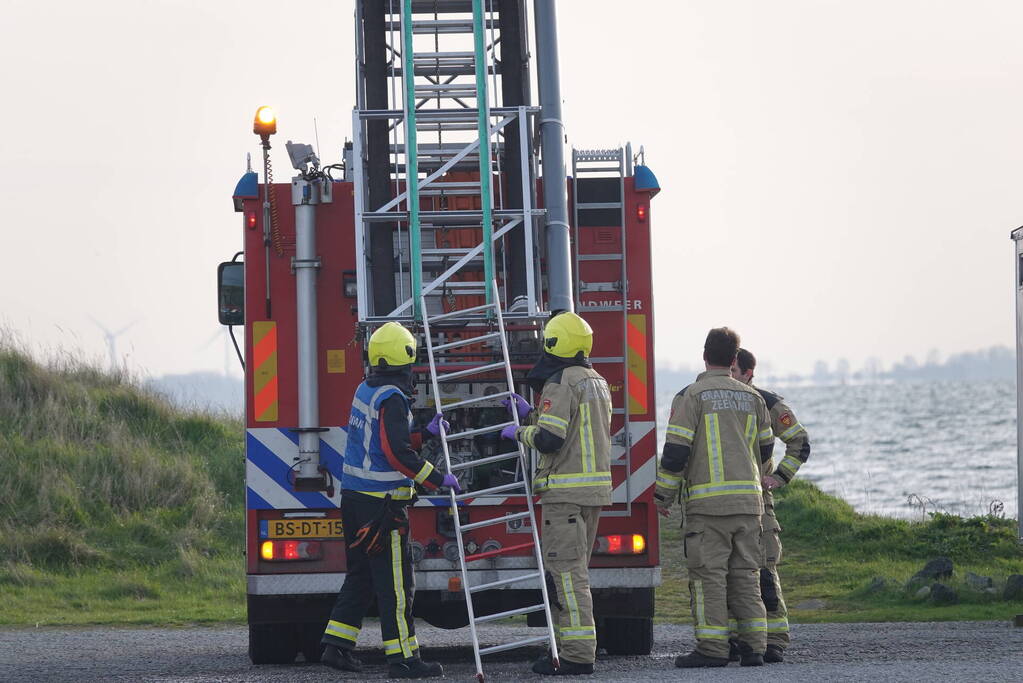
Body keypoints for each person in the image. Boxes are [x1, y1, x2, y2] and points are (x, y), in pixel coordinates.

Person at [321, 322, 460, 679]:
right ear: (407, 358)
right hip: (381, 508)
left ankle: (336, 647)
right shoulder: (393, 398)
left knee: (361, 577)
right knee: (397, 586)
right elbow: (396, 454)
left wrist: (422, 433)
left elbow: (379, 443)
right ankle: (404, 660)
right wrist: (437, 479)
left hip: (354, 498)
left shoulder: (365, 389)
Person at [654, 327, 775, 668]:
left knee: (710, 579)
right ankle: (754, 648)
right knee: (746, 576)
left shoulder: (693, 396)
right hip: (750, 506)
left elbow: (676, 453)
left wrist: (663, 495)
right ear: (734, 359)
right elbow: (766, 449)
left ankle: (712, 649)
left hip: (709, 508)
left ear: (704, 356)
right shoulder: (753, 398)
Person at [501, 311, 612, 676]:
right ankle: (570, 649)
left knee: (566, 574)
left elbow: (550, 439)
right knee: (576, 572)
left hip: (564, 494)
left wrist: (519, 431)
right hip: (592, 494)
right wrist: (533, 413)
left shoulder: (560, 382)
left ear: (553, 343)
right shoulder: (596, 380)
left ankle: (577, 655)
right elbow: (568, 426)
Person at [730, 347, 811, 664]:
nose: (730, 375)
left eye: (735, 371)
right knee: (725, 573)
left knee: (764, 572)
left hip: (759, 502)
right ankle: (739, 639)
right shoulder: (708, 398)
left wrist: (779, 477)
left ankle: (775, 640)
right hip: (723, 503)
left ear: (749, 373)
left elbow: (799, 441)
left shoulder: (768, 402)